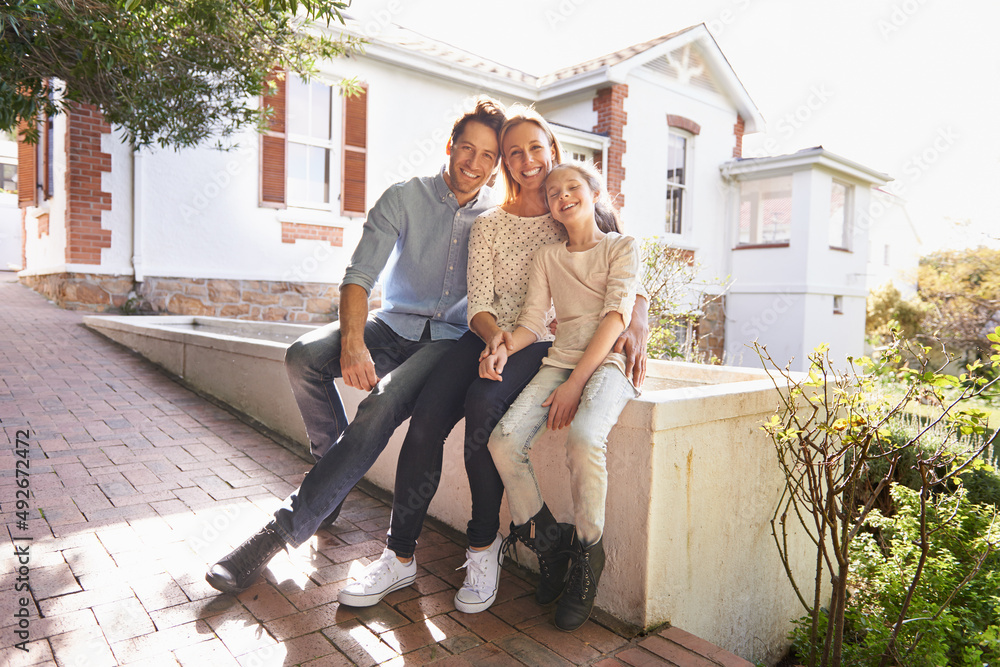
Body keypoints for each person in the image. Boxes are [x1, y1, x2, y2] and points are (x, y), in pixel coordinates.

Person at [334, 106, 649, 615]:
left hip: (547, 345)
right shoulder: (489, 223)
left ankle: (483, 547)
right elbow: (479, 302)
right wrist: (495, 340)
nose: (526, 161)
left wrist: (639, 319)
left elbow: (619, 266)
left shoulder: (569, 207)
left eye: (535, 149)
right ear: (504, 162)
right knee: (427, 420)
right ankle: (399, 555)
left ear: (553, 152)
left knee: (484, 407)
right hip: (493, 337)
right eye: (513, 152)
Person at [205, 97, 507, 595]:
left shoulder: (498, 219)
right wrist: (352, 341)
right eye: (466, 149)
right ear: (449, 146)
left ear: (496, 166)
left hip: (449, 343)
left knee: (382, 403)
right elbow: (359, 277)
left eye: (487, 157)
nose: (473, 164)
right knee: (303, 356)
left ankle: (276, 534)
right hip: (391, 325)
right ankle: (333, 482)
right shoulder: (404, 196)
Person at [483, 161, 642, 631]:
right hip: (558, 362)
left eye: (573, 187)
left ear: (594, 192)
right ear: (549, 207)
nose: (563, 195)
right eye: (553, 192)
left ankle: (589, 559)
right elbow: (533, 323)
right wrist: (501, 344)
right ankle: (549, 541)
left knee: (586, 438)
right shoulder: (548, 257)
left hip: (608, 364)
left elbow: (616, 318)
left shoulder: (622, 247)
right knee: (504, 441)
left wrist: (576, 384)